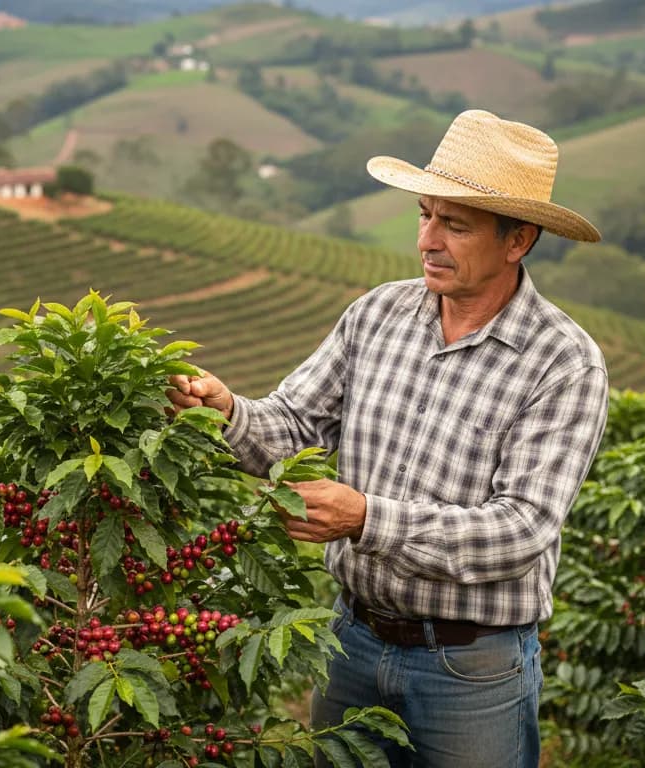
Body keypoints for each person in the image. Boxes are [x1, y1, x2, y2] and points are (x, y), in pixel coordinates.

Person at [166, 109, 610, 768]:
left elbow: (521, 531)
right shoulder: (376, 316)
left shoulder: (562, 363)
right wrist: (224, 409)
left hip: (472, 666)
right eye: (425, 215)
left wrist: (366, 518)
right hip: (352, 641)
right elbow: (291, 426)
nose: (429, 239)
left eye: (454, 225)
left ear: (518, 240)